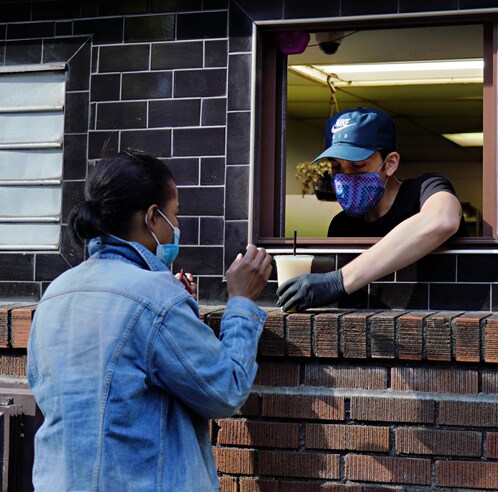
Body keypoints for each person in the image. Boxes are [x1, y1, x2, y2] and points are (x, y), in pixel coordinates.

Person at [27, 150, 272, 491]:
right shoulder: (156, 297)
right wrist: (241, 302)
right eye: (175, 215)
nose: (177, 229)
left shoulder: (55, 293)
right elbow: (225, 390)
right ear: (153, 217)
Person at [277, 107, 466, 311]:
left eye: (358, 166)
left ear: (390, 163)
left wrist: (337, 282)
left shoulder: (424, 190)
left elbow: (442, 220)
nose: (346, 177)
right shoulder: (342, 226)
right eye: (337, 168)